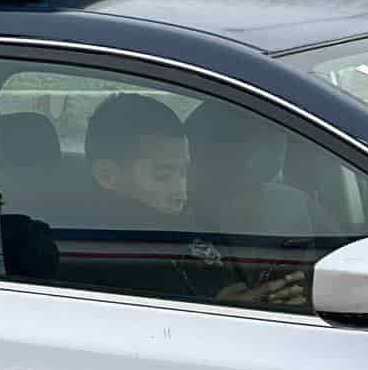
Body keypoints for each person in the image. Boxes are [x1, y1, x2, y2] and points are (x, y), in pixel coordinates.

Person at [81, 92, 306, 307]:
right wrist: (222, 315)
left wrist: (268, 298)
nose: (181, 190)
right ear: (107, 176)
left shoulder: (194, 224)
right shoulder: (87, 255)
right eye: (162, 176)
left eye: (183, 172)